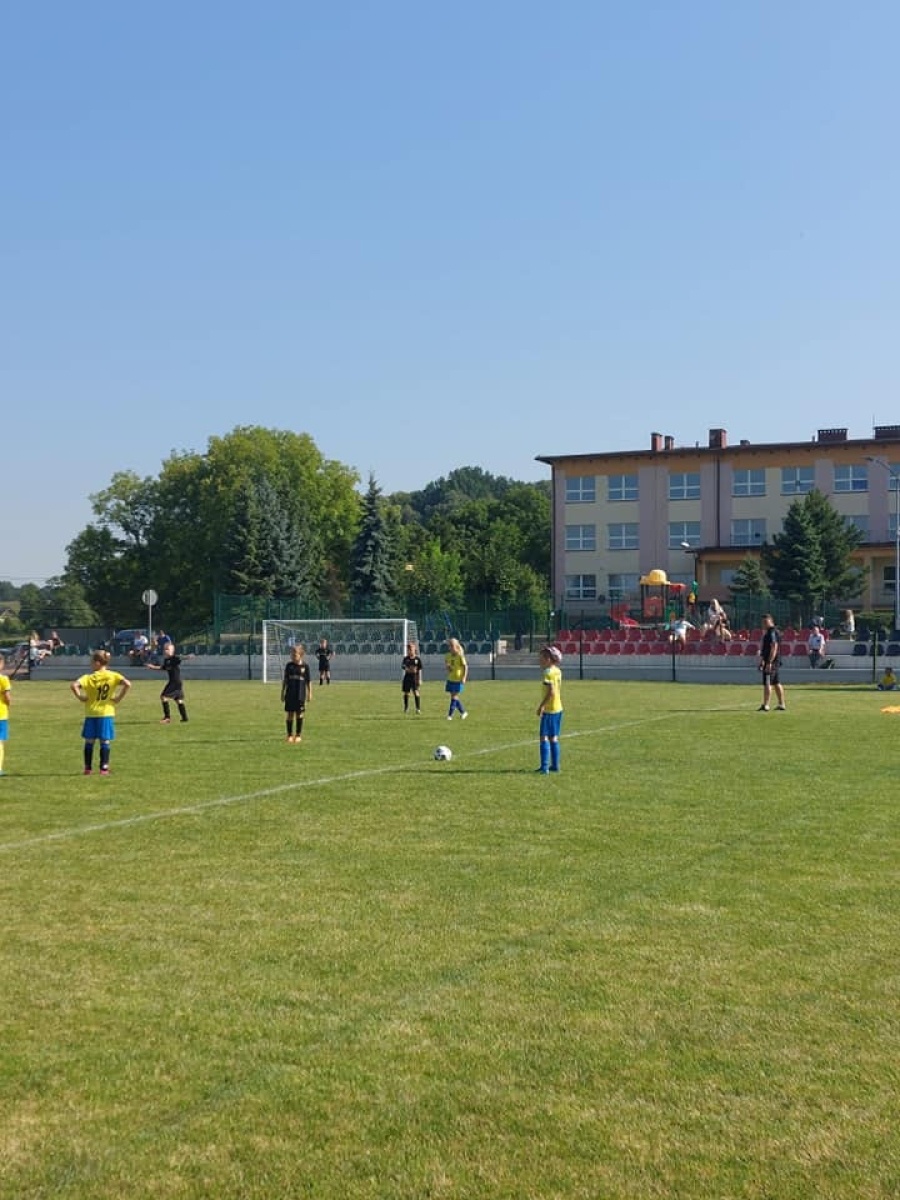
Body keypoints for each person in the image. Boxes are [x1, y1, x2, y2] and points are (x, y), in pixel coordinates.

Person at [70, 650, 132, 775]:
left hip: (91, 713)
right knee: (105, 741)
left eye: (92, 662)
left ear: (97, 663)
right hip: (106, 713)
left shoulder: (88, 678)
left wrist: (80, 697)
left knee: (89, 741)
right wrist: (118, 698)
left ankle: (88, 768)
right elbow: (127, 684)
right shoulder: (113, 676)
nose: (91, 665)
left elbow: (74, 685)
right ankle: (104, 768)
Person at [145, 641, 189, 723]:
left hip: (174, 682)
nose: (166, 651)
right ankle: (185, 718)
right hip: (177, 682)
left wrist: (188, 657)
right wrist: (152, 667)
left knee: (163, 696)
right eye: (165, 649)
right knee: (178, 700)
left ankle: (167, 718)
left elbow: (180, 658)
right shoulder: (167, 660)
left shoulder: (174, 658)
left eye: (168, 649)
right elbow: (163, 668)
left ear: (172, 651)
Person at [535, 644, 563, 774]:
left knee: (544, 737)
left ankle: (544, 767)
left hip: (550, 709)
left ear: (548, 659)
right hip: (558, 707)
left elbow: (551, 692)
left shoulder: (548, 673)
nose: (539, 660)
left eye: (541, 658)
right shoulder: (557, 670)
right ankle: (555, 766)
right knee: (553, 737)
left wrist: (542, 706)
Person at [282, 643, 312, 743]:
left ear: (300, 655)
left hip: (300, 695)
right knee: (290, 714)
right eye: (291, 654)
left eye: (295, 655)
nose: (292, 656)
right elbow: (285, 680)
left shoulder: (305, 666)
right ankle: (289, 735)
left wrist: (310, 693)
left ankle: (298, 735)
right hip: (290, 694)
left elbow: (308, 681)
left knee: (299, 714)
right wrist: (282, 692)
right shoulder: (289, 666)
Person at [758, 614, 786, 712]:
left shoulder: (772, 632)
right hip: (774, 661)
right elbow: (765, 648)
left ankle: (766, 705)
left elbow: (774, 647)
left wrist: (769, 662)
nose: (764, 624)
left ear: (771, 621)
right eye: (763, 622)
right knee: (776, 682)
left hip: (771, 661)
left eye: (765, 622)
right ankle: (782, 704)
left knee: (768, 682)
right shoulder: (770, 632)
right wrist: (762, 660)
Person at [444, 637, 468, 720]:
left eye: (451, 646)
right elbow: (447, 665)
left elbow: (465, 667)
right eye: (449, 646)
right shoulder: (447, 656)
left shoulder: (460, 656)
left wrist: (464, 677)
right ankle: (463, 712)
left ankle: (450, 715)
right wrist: (448, 667)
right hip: (450, 679)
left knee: (454, 697)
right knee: (454, 697)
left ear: (456, 646)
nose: (450, 648)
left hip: (458, 680)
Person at [401, 641, 423, 714]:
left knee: (416, 692)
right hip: (407, 677)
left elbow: (420, 669)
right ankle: (406, 708)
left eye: (411, 649)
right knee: (406, 693)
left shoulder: (417, 659)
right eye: (408, 650)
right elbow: (403, 666)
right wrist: (408, 669)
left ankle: (418, 709)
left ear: (414, 649)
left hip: (415, 678)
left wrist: (420, 679)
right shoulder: (406, 659)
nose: (410, 651)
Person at [0, 655, 11, 776]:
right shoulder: (3, 679)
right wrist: (9, 704)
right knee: (0, 742)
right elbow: (7, 697)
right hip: (1, 714)